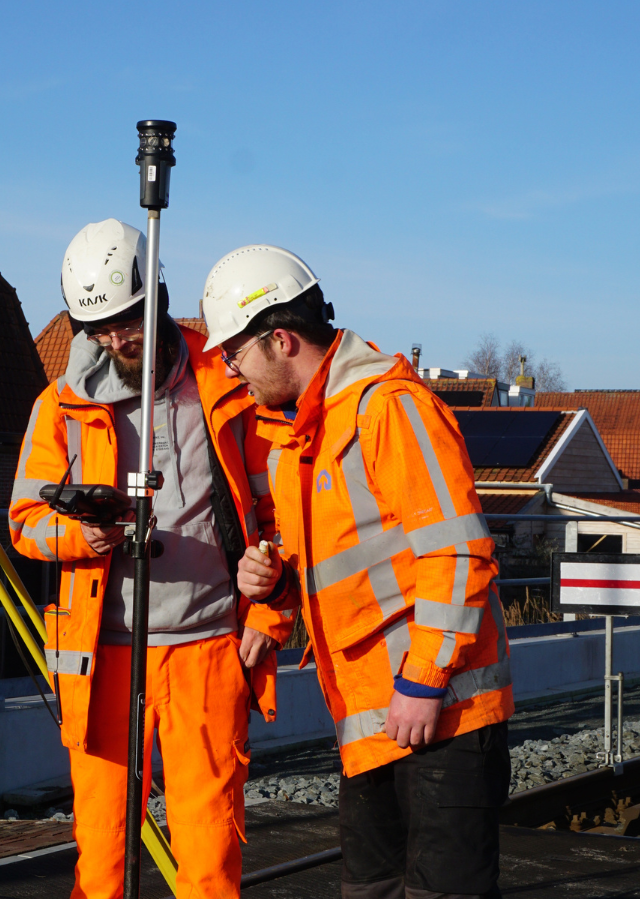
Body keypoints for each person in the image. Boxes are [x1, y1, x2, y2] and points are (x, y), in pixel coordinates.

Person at [200, 244, 514, 899]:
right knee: (369, 890)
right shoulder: (305, 435)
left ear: (280, 339)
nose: (232, 372)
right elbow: (340, 565)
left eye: (235, 355)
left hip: (441, 713)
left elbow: (456, 553)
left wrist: (424, 682)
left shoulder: (390, 409)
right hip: (372, 722)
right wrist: (275, 585)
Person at [9, 220, 295, 899]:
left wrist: (271, 616)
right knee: (103, 857)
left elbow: (284, 512)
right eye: (98, 327)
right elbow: (25, 524)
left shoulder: (228, 383)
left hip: (209, 651)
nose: (115, 339)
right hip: (103, 657)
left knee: (210, 854)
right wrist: (88, 538)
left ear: (156, 295)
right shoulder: (60, 407)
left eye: (125, 321)